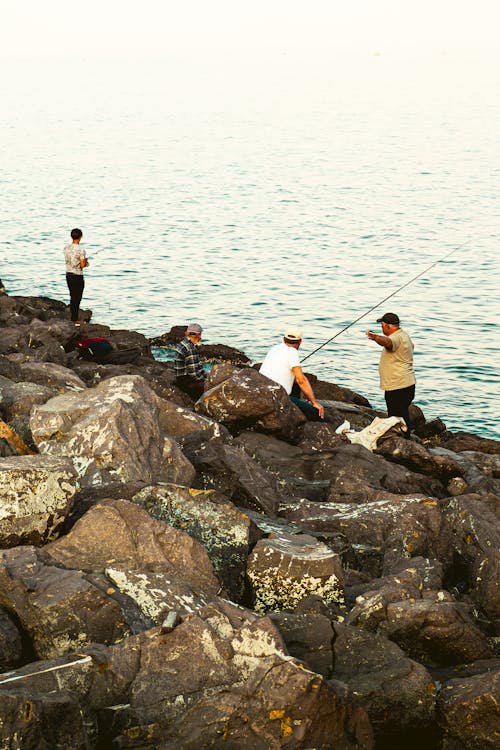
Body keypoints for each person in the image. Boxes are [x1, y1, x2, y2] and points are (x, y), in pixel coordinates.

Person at [259, 328, 325, 420]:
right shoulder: (292, 352)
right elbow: (301, 380)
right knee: (317, 413)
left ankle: (295, 407)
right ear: (300, 342)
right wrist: (314, 402)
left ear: (284, 339)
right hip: (277, 397)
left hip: (261, 391)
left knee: (296, 385)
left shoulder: (274, 348)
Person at [366, 312, 416, 432]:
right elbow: (412, 346)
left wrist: (375, 337)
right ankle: (405, 438)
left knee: (395, 417)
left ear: (388, 326)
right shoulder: (404, 335)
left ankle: (402, 441)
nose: (382, 328)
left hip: (397, 386)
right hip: (406, 384)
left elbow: (388, 342)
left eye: (382, 325)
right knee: (402, 415)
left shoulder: (395, 337)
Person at [174, 323, 207, 399]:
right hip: (186, 383)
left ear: (187, 334)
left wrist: (206, 376)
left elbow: (197, 368)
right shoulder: (191, 348)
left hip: (180, 379)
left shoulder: (183, 343)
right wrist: (207, 381)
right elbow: (194, 374)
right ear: (199, 335)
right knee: (210, 387)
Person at [64, 228, 88, 325]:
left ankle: (73, 317)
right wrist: (86, 263)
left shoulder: (66, 248)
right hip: (77, 276)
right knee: (77, 298)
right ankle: (74, 319)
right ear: (81, 237)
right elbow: (82, 265)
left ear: (71, 236)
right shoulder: (81, 250)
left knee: (72, 296)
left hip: (68, 274)